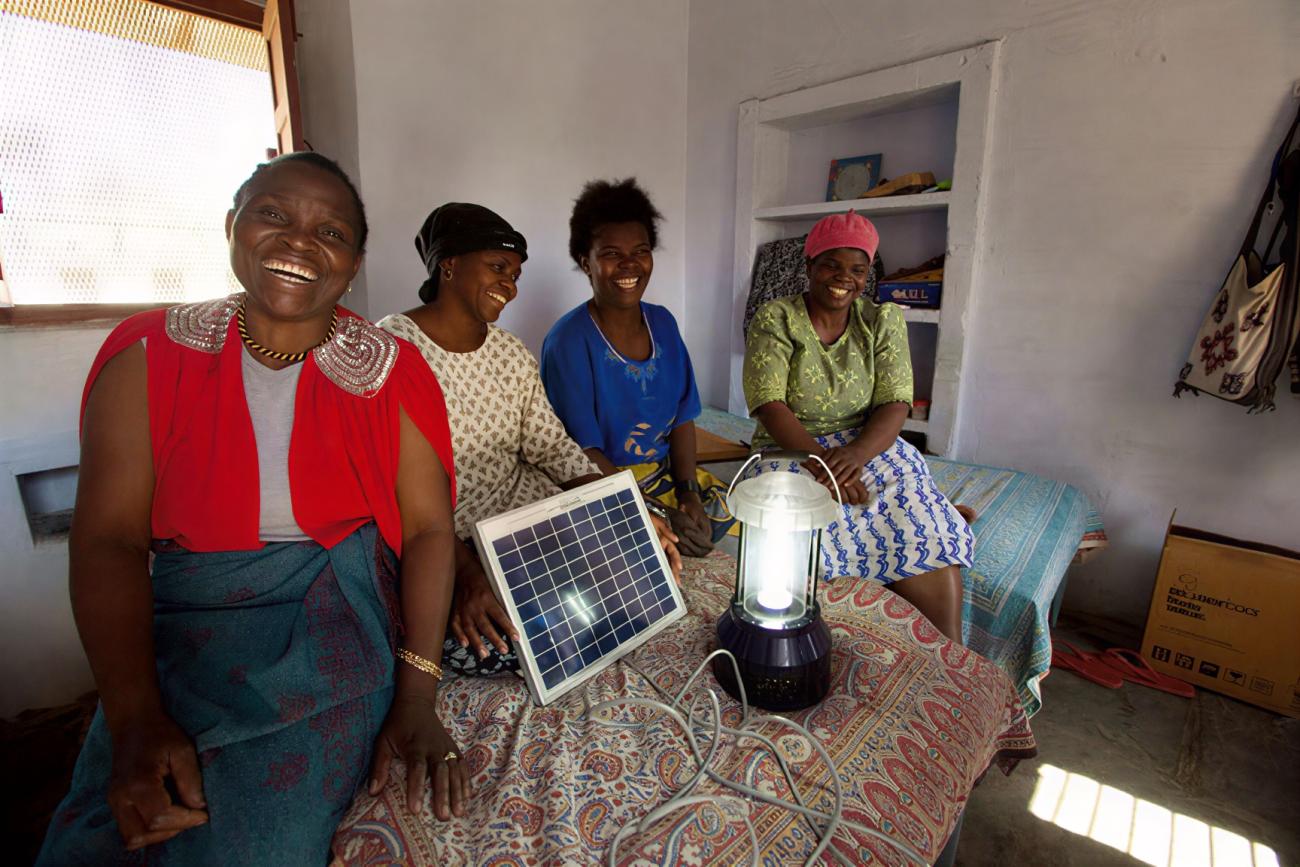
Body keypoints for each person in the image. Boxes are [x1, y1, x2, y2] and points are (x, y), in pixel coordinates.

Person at [38, 153, 466, 865]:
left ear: (354, 262)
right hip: (186, 618)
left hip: (333, 618)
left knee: (254, 841)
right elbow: (109, 541)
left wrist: (417, 694)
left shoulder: (394, 370)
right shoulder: (146, 354)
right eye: (273, 214)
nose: (299, 241)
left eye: (330, 231)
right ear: (232, 225)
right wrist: (136, 714)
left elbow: (427, 530)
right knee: (110, 826)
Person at [378, 202, 680, 674]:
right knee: (505, 643)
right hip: (445, 535)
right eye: (498, 268)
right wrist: (467, 574)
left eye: (515, 274)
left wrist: (624, 511)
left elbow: (551, 446)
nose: (510, 286)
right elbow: (395, 491)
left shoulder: (509, 352)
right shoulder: (393, 349)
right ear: (449, 265)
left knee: (639, 581)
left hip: (524, 518)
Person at [742, 209, 973, 643]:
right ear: (809, 266)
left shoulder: (881, 320)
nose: (842, 278)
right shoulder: (776, 318)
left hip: (866, 444)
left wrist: (855, 456)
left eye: (857, 269)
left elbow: (895, 403)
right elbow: (769, 404)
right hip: (790, 448)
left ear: (867, 274)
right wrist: (823, 465)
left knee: (922, 519)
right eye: (830, 264)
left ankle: (953, 659)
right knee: (803, 534)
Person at [540, 178, 734, 558]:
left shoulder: (663, 324)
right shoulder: (568, 342)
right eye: (611, 253)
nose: (629, 265)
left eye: (641, 251)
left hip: (664, 479)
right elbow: (583, 454)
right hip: (600, 486)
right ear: (586, 262)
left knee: (741, 533)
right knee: (650, 567)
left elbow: (682, 418)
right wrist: (656, 511)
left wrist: (688, 492)